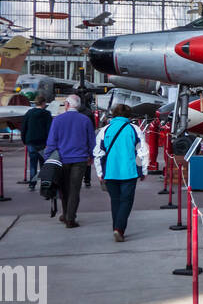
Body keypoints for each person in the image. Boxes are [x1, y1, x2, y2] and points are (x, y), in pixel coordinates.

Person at [94, 105, 147, 242]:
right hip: (129, 171)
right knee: (126, 201)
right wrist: (143, 170)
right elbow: (142, 151)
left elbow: (98, 153)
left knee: (115, 201)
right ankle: (119, 229)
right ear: (129, 116)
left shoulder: (104, 130)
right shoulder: (134, 130)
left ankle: (116, 228)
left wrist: (100, 172)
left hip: (110, 171)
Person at [42, 94, 96, 228]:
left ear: (67, 105)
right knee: (74, 189)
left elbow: (52, 142)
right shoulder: (85, 120)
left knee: (63, 189)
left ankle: (66, 214)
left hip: (62, 159)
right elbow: (91, 141)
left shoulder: (58, 120)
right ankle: (70, 217)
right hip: (80, 159)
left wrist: (47, 157)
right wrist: (91, 156)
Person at [18, 97, 53, 189]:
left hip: (31, 141)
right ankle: (43, 184)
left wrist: (24, 140)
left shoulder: (29, 113)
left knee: (33, 163)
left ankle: (32, 184)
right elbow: (50, 129)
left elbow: (24, 127)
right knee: (43, 164)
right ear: (43, 103)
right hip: (43, 142)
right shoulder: (47, 114)